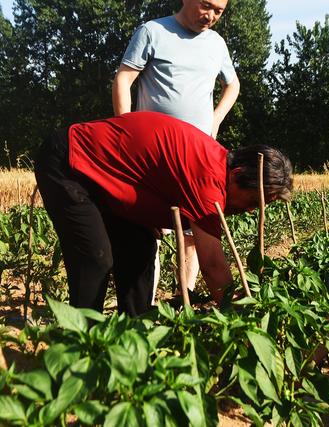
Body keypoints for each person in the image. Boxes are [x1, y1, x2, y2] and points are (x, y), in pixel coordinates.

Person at [34, 111, 292, 315]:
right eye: (253, 202)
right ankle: (81, 347)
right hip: (70, 162)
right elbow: (212, 265)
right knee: (95, 257)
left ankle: (133, 336)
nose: (249, 211)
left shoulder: (215, 165)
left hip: (105, 179)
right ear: (236, 176)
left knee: (140, 248)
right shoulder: (209, 180)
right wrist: (245, 316)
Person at [112, 0, 240, 295]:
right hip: (152, 156)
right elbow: (124, 79)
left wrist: (215, 119)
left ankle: (185, 298)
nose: (211, 16)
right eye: (206, 6)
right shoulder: (153, 31)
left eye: (219, 11)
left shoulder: (216, 44)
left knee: (194, 233)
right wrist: (126, 130)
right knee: (148, 231)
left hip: (197, 159)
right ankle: (147, 306)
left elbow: (232, 85)